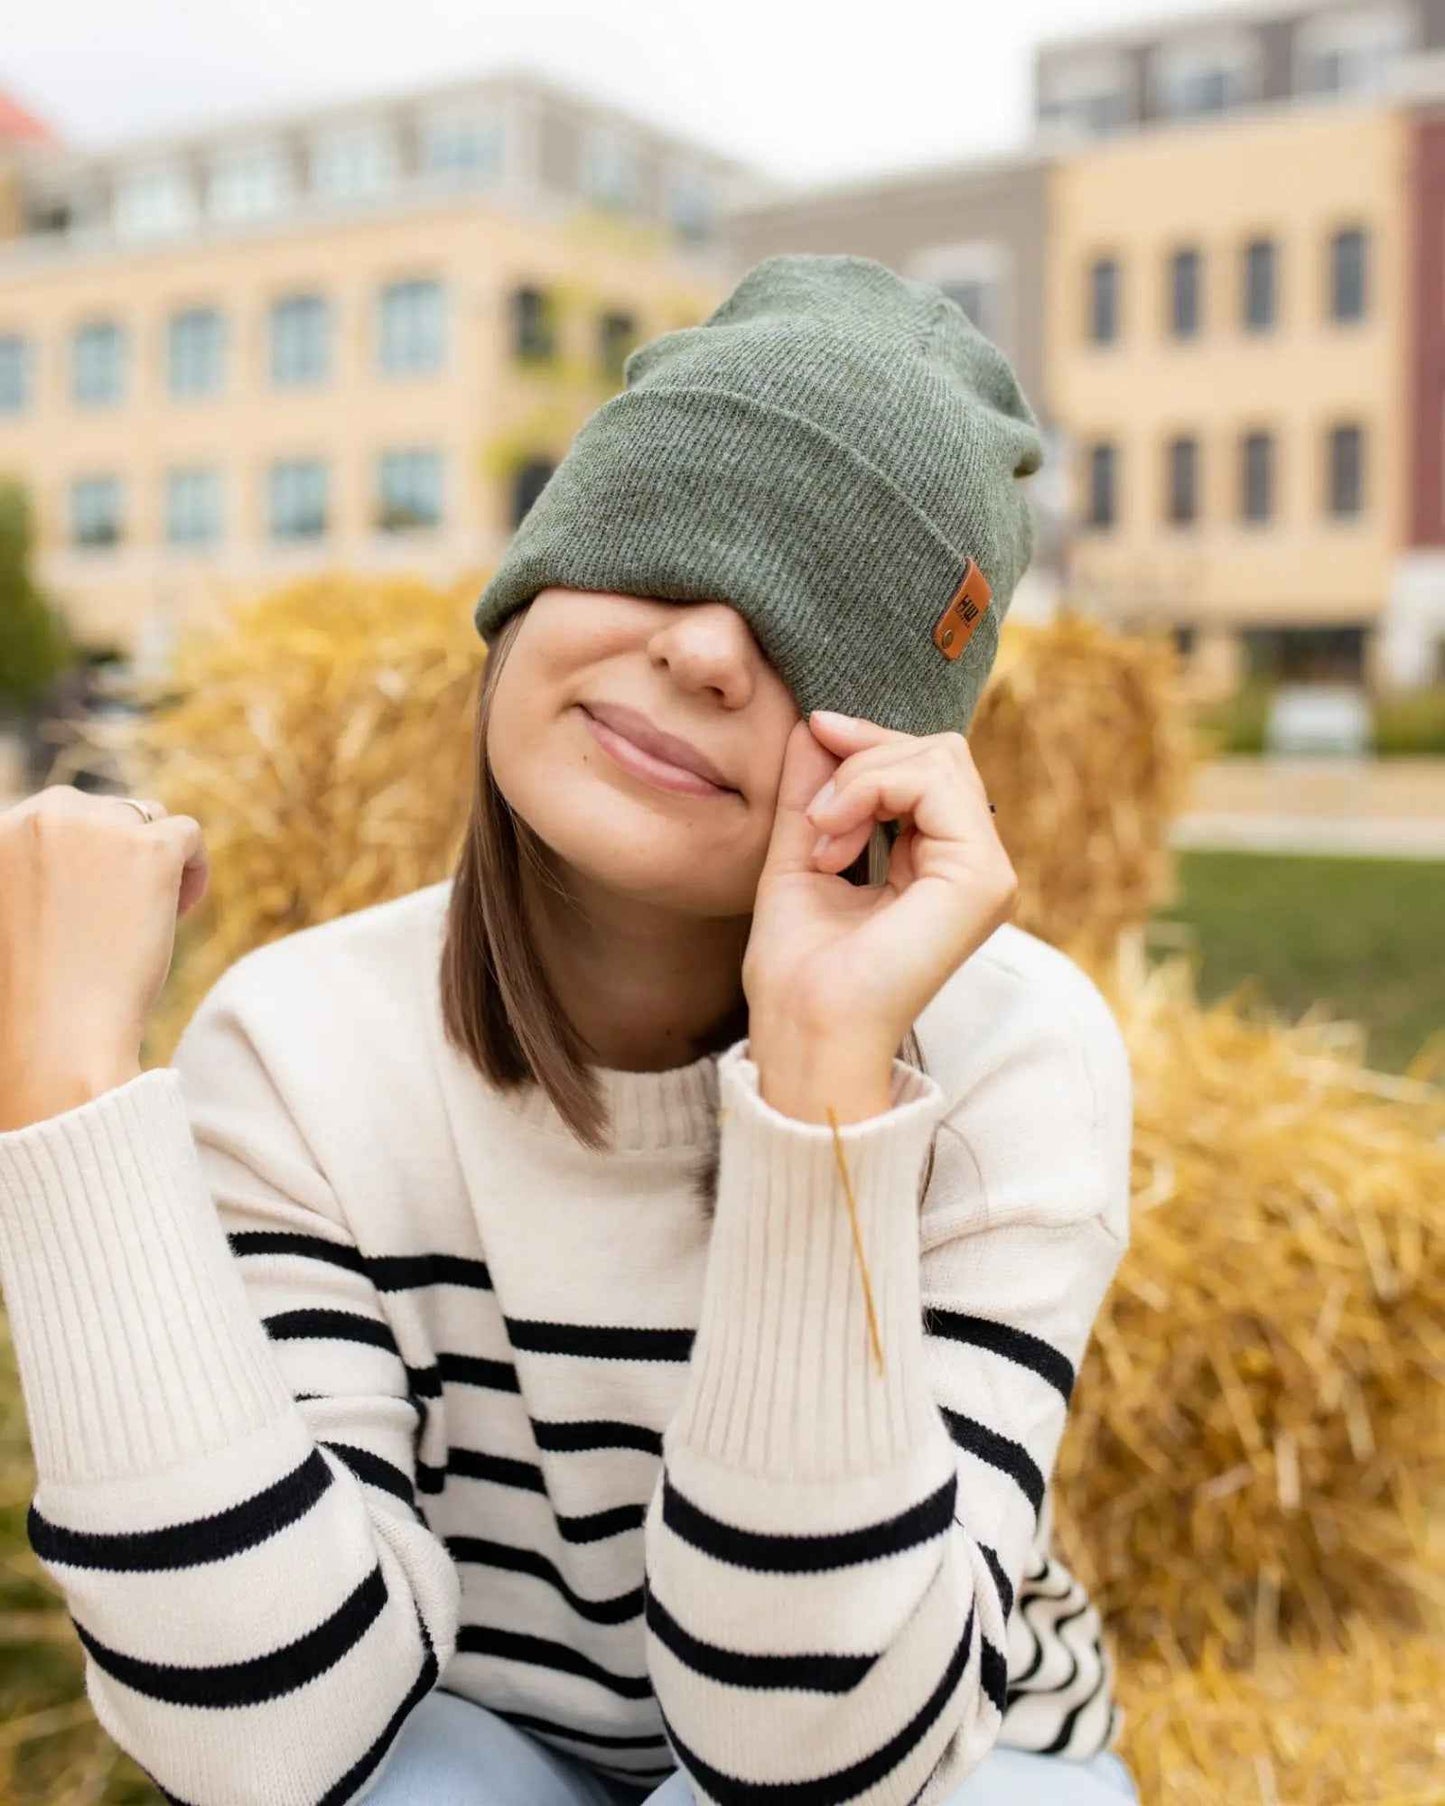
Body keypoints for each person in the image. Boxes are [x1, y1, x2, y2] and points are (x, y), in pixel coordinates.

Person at [0, 254, 1139, 1805]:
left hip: (939, 1761)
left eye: (821, 617)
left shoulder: (1010, 1054)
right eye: (661, 541)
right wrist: (64, 1089)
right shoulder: (299, 1042)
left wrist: (819, 1086)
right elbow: (263, 1739)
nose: (705, 649)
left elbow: (816, 1764)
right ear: (533, 581)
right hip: (478, 1736)